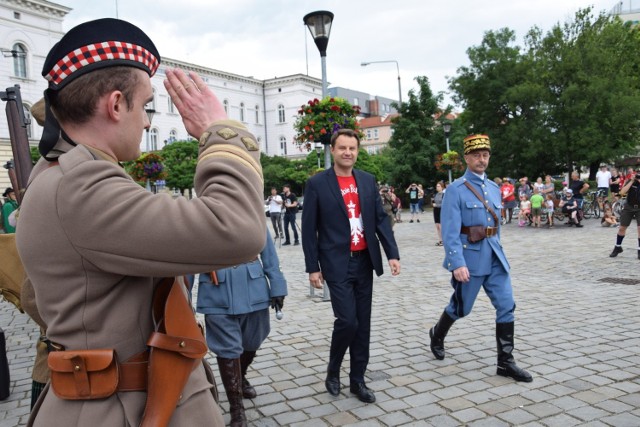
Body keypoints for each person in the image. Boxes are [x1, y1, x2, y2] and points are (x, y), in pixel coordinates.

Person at [15, 18, 266, 427]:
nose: (149, 121)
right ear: (115, 105)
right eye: (146, 105)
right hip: (122, 409)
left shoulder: (63, 174)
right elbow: (237, 229)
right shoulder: (81, 186)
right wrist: (221, 131)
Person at [301, 129, 401, 403]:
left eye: (352, 148)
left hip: (364, 262)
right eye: (342, 147)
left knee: (363, 325)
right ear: (332, 150)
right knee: (347, 321)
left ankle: (357, 380)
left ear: (358, 151)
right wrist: (313, 267)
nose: (348, 152)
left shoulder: (367, 181)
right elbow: (309, 230)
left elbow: (380, 220)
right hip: (335, 263)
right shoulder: (318, 184)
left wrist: (392, 253)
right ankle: (333, 370)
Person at [428, 134, 533, 383]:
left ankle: (505, 363)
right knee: (461, 308)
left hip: (495, 256)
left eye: (485, 155)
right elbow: (450, 230)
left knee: (507, 304)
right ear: (467, 158)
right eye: (476, 155)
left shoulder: (495, 188)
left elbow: (495, 226)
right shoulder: (455, 190)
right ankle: (437, 334)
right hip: (471, 259)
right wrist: (457, 263)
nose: (481, 159)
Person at [196, 229, 287, 426]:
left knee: (254, 339)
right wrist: (182, 297)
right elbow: (186, 259)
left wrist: (277, 285)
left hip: (253, 287)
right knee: (227, 349)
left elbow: (268, 252)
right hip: (216, 289)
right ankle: (236, 409)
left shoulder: (251, 211)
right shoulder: (199, 213)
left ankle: (241, 375)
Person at [609, 170, 640, 259]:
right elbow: (622, 193)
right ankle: (618, 247)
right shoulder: (630, 181)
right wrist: (631, 181)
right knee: (622, 227)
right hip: (629, 206)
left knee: (639, 228)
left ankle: (639, 249)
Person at [432, 181, 445, 245]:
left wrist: (437, 205)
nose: (437, 187)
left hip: (441, 210)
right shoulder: (435, 194)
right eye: (437, 186)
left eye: (439, 186)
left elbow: (444, 204)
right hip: (435, 210)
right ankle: (440, 239)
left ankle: (443, 240)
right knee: (437, 226)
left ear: (442, 187)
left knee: (441, 226)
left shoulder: (444, 195)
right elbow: (433, 201)